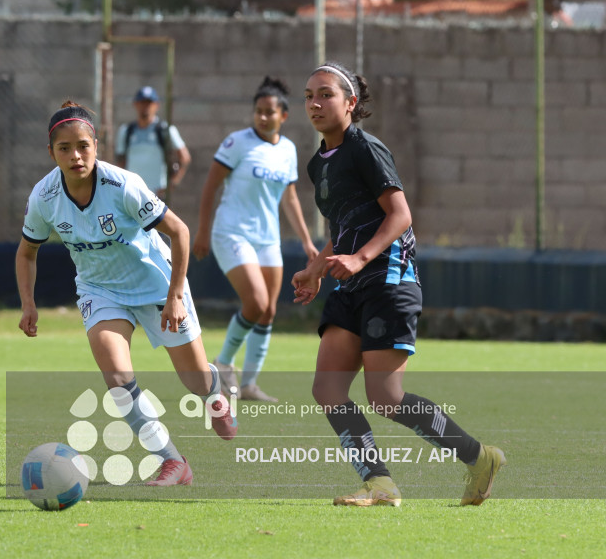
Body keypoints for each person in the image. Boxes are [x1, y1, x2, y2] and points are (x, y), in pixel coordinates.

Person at [292, 62, 505, 506]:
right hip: (351, 285)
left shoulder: (366, 148)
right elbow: (345, 224)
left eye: (326, 94)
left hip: (389, 280)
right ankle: (379, 483)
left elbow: (400, 214)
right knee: (327, 389)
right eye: (309, 95)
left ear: (350, 103)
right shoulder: (318, 163)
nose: (314, 103)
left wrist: (359, 258)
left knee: (386, 397)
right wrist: (317, 268)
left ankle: (478, 457)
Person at [16, 100, 236, 487]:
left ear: (96, 146)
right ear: (51, 153)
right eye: (64, 149)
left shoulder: (122, 185)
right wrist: (28, 304)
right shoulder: (43, 197)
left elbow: (180, 232)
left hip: (156, 285)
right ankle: (172, 461)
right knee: (117, 377)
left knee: (195, 380)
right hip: (100, 290)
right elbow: (26, 252)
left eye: (83, 146)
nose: (75, 156)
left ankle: (214, 392)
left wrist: (175, 296)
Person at [193, 76, 319, 402]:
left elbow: (290, 198)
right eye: (258, 111)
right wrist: (203, 230)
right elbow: (210, 186)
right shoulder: (237, 143)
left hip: (267, 239)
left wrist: (306, 241)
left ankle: (248, 385)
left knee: (268, 312)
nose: (262, 117)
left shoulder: (288, 150)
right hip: (232, 232)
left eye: (269, 112)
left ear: (283, 116)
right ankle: (223, 363)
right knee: (256, 303)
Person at [115, 86, 191, 200]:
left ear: (157, 105)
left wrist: (172, 184)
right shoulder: (126, 131)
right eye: (142, 103)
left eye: (149, 103)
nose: (145, 107)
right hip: (132, 194)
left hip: (157, 196)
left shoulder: (166, 130)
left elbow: (185, 158)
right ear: (135, 104)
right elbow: (121, 163)